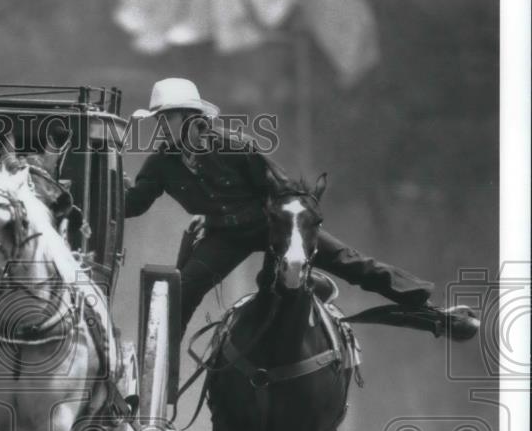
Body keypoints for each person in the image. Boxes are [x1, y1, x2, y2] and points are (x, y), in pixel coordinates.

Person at [124, 78, 476, 340]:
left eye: (166, 117)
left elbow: (283, 188)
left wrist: (295, 231)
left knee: (350, 262)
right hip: (223, 236)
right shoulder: (160, 163)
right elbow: (136, 203)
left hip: (271, 225)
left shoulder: (236, 146)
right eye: (159, 119)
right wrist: (104, 191)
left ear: (191, 116)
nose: (161, 125)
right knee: (180, 290)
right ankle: (157, 383)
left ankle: (432, 313)